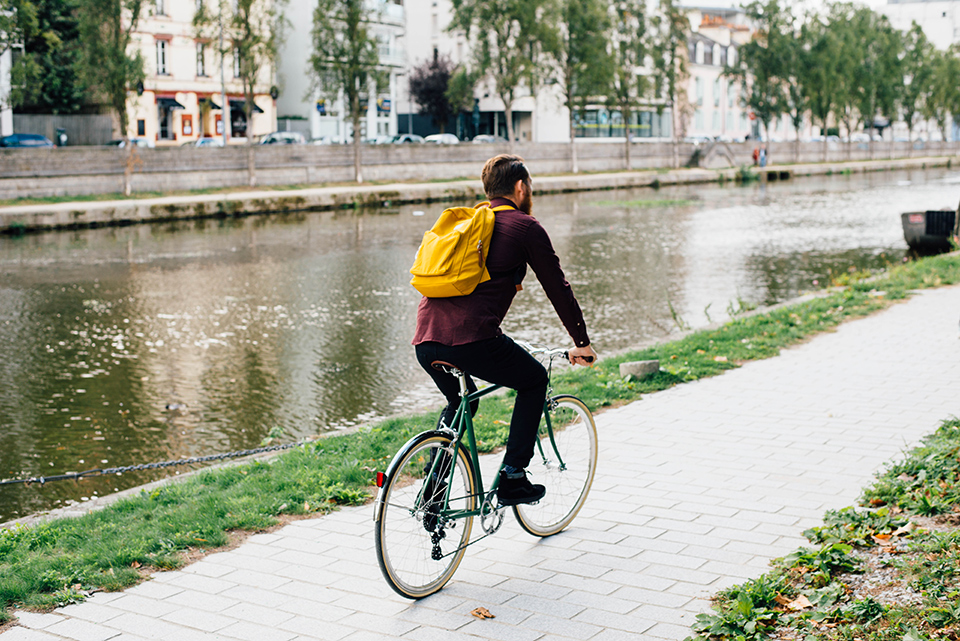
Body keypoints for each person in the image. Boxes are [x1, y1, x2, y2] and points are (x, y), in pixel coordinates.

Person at [412, 154, 598, 506]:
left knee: (458, 402)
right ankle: (513, 477)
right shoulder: (524, 227)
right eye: (530, 187)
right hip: (472, 339)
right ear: (520, 187)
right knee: (533, 380)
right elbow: (558, 288)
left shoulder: (467, 225)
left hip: (425, 340)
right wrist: (581, 342)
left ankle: (433, 491)